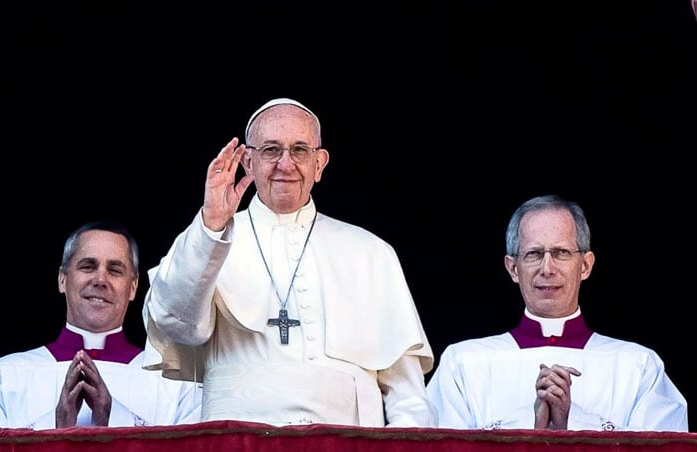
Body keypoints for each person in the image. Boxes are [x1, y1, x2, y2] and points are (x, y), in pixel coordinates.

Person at [140, 97, 436, 427]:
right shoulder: (207, 240)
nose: (286, 164)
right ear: (248, 163)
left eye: (299, 150)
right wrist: (211, 223)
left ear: (319, 164)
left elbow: (408, 397)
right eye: (270, 150)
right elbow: (177, 325)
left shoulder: (370, 252)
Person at [426, 194, 688, 431]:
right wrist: (532, 422)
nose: (547, 268)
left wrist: (570, 422)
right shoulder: (463, 363)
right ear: (513, 268)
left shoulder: (638, 365)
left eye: (561, 253)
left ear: (585, 266)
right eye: (534, 254)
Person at [0, 220, 202, 429]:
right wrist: (55, 426)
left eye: (115, 270)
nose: (100, 279)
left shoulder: (174, 381)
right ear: (62, 279)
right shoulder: (3, 376)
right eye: (88, 266)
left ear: (134, 287)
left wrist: (113, 418)